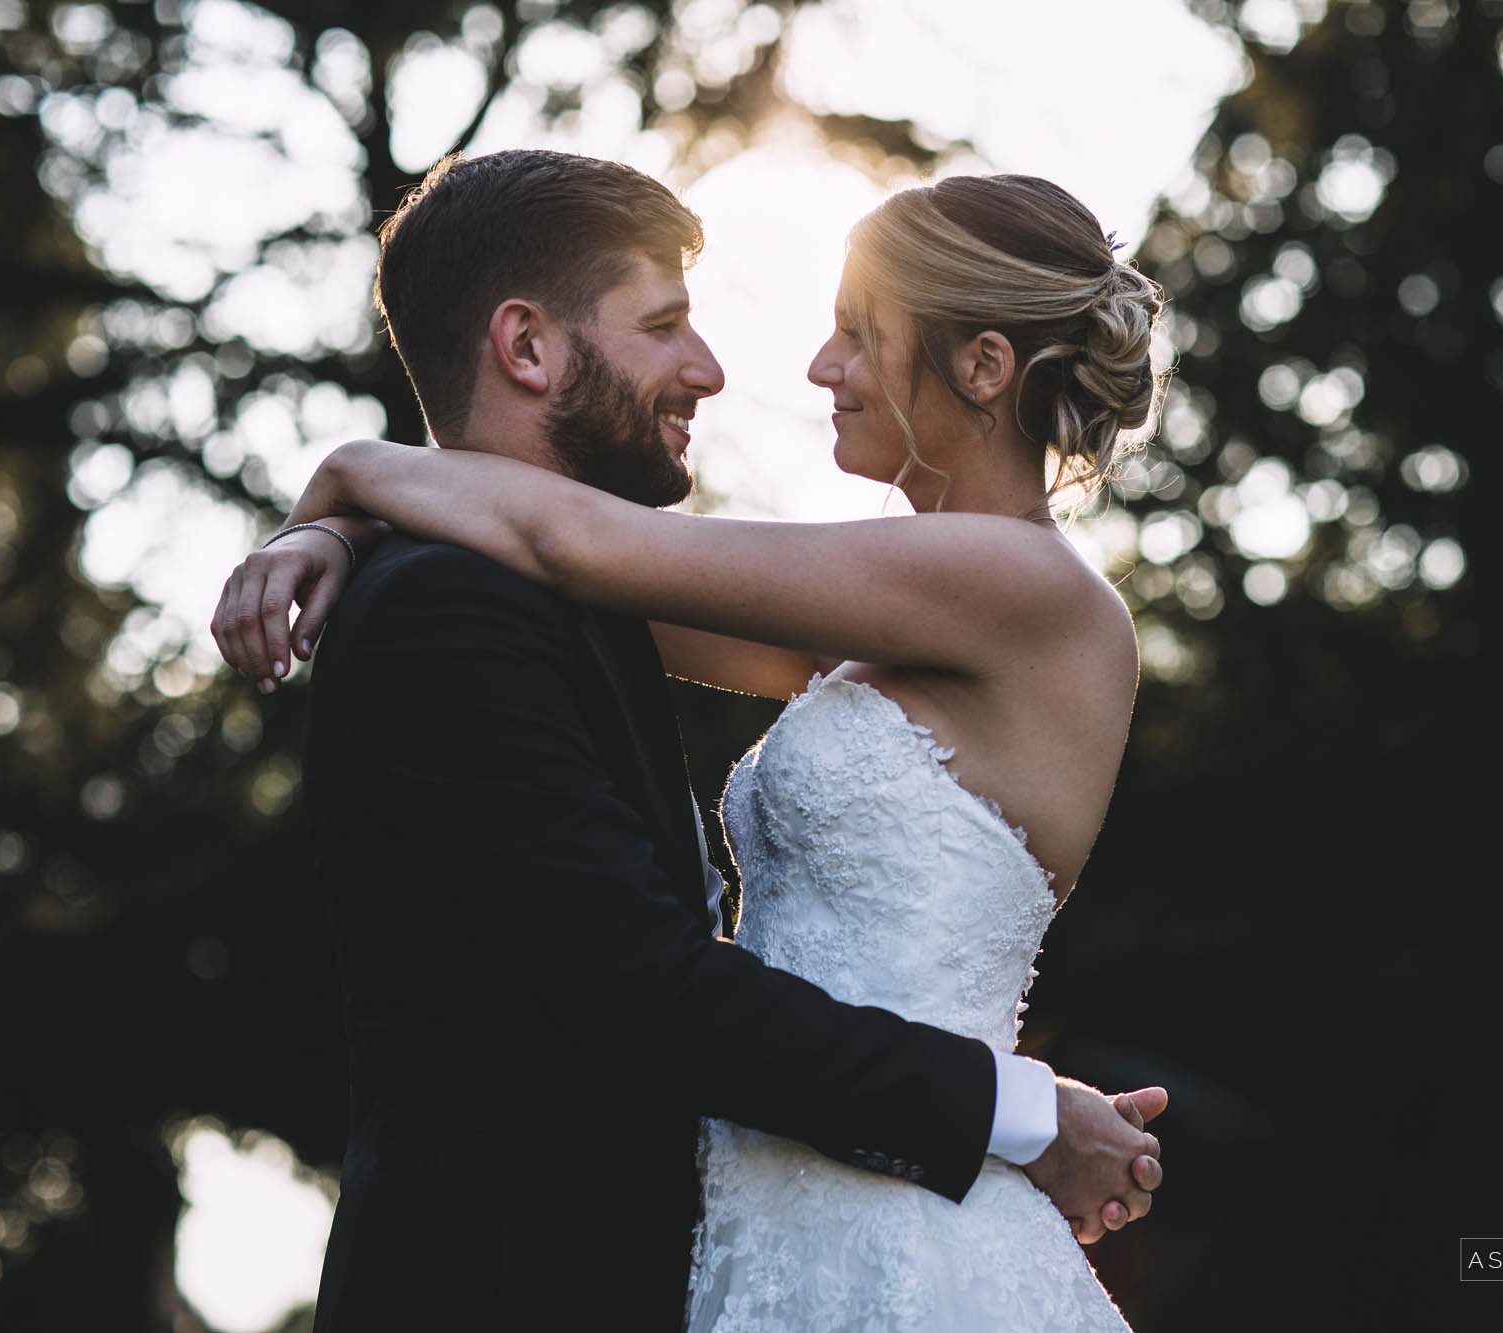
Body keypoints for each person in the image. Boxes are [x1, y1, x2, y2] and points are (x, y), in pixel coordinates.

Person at [213, 150, 1166, 1330]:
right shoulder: (871, 621)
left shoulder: (1013, 581)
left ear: (981, 366)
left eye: (859, 335)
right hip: (766, 1208)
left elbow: (577, 546)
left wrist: (346, 478)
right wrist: (352, 541)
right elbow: (567, 569)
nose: (818, 367)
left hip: (898, 1226)